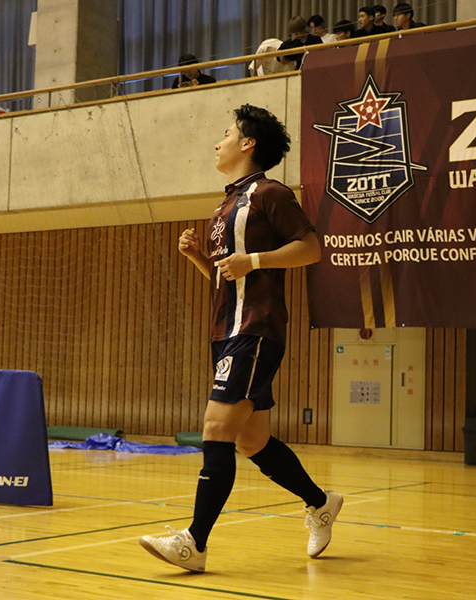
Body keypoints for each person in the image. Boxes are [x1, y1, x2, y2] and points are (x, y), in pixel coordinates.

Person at [138, 104, 343, 572]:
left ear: (248, 143)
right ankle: (321, 502)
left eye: (227, 134)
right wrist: (200, 259)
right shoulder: (224, 206)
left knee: (216, 429)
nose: (218, 142)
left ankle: (195, 543)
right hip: (225, 331)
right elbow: (227, 277)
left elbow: (311, 248)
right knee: (252, 441)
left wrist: (254, 260)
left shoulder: (270, 193)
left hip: (255, 328)